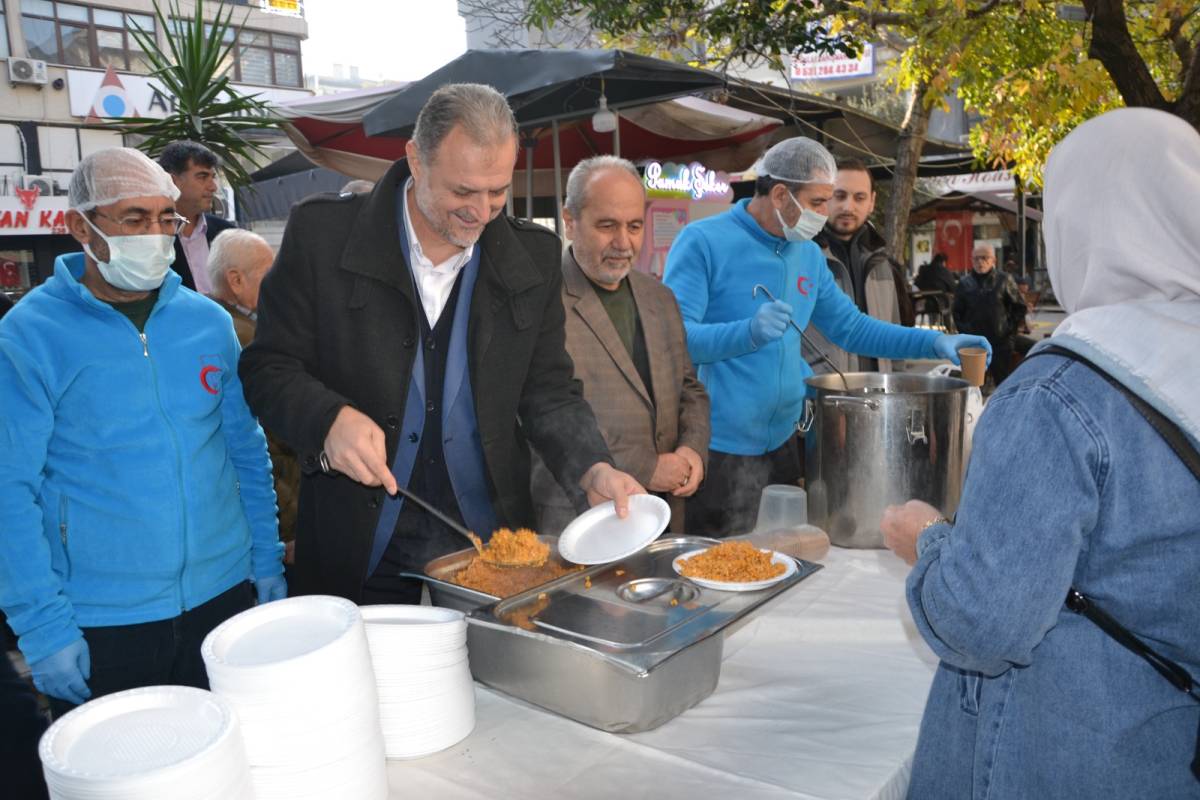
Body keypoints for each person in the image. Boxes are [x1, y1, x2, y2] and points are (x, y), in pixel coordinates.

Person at [881, 107, 1200, 798]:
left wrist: (928, 540)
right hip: (1170, 749)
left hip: (1049, 755)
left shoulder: (1058, 395)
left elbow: (983, 620)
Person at [239, 84, 643, 604]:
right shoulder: (321, 236)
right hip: (358, 544)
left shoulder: (534, 258)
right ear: (415, 159)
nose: (481, 212)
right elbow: (267, 367)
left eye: (497, 192)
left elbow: (548, 390)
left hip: (489, 542)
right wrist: (328, 418)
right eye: (462, 192)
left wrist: (593, 466)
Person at [0, 148, 285, 718]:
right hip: (104, 619)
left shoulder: (207, 323)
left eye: (166, 219)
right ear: (79, 225)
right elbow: (10, 489)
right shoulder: (29, 335)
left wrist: (266, 559)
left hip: (223, 596)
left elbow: (245, 453)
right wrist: (42, 624)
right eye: (133, 219)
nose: (154, 235)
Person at [663, 137, 991, 537]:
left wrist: (932, 343)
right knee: (720, 569)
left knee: (784, 567)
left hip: (785, 445)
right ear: (781, 194)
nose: (825, 214)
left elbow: (851, 328)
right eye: (818, 202)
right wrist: (746, 333)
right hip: (719, 447)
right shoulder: (703, 243)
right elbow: (676, 341)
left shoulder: (807, 255)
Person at [530, 156, 710, 535]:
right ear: (569, 220)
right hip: (580, 516)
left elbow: (689, 388)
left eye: (634, 226)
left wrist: (692, 451)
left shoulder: (660, 298)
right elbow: (540, 412)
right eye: (607, 226)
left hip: (663, 513)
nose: (623, 243)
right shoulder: (541, 301)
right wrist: (646, 467)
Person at [207, 229, 300, 566]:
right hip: (275, 522)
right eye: (270, 274)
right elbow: (269, 447)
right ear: (235, 280)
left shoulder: (225, 327)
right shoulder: (244, 339)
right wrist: (287, 529)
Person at [812, 157, 915, 373]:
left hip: (879, 398)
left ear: (872, 202)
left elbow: (894, 340)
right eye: (839, 196)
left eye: (859, 197)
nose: (848, 206)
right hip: (822, 398)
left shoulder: (884, 266)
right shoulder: (802, 258)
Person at [158, 140, 236, 293]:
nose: (213, 186)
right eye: (202, 176)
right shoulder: (152, 237)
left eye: (213, 177)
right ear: (172, 181)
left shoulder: (227, 233)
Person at [952, 242, 1027, 387]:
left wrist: (1009, 330)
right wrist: (965, 331)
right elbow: (956, 312)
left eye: (985, 258)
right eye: (976, 258)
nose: (980, 262)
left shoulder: (1004, 280)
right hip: (974, 343)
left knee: (1002, 383)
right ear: (971, 260)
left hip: (1000, 342)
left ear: (993, 260)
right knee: (973, 385)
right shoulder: (964, 283)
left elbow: (1019, 307)